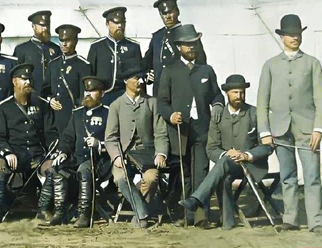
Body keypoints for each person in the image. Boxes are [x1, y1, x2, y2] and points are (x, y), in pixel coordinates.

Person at [257, 14, 322, 235]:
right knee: (287, 176)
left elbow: (321, 98)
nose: (295, 38)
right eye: (290, 34)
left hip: (307, 130)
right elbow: (262, 101)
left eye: (298, 34)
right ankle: (290, 219)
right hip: (279, 130)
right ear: (282, 37)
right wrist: (265, 131)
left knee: (311, 176)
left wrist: (319, 128)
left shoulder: (312, 63)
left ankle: (316, 221)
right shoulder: (270, 65)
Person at [180, 74, 273, 230]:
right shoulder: (218, 116)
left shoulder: (255, 113)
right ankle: (227, 224)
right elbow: (211, 149)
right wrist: (226, 154)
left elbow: (268, 146)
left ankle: (197, 199)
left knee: (223, 168)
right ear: (226, 93)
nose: (239, 96)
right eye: (235, 92)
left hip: (252, 165)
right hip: (229, 165)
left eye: (242, 92)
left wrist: (246, 155)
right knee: (224, 172)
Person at [156, 24, 224, 227]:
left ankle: (202, 216)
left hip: (202, 129)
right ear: (179, 47)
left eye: (194, 43)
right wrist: (171, 115)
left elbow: (217, 94)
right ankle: (188, 216)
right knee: (185, 172)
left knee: (201, 171)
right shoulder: (169, 71)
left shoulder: (206, 70)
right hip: (180, 130)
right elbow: (161, 102)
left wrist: (218, 104)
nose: (191, 48)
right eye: (187, 44)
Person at [0, 64, 59, 225]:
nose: (28, 82)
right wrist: (7, 152)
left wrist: (53, 149)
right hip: (15, 154)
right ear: (14, 82)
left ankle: (43, 210)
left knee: (52, 168)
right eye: (24, 79)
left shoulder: (41, 105)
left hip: (37, 154)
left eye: (30, 79)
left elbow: (50, 132)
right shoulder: (4, 107)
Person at [102, 70, 168, 229]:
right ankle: (142, 213)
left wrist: (160, 153)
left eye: (141, 78)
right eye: (135, 78)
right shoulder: (116, 105)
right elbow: (110, 137)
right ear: (126, 80)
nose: (140, 81)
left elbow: (160, 132)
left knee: (152, 178)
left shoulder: (152, 102)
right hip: (124, 155)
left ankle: (138, 209)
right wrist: (116, 157)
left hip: (147, 154)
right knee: (120, 179)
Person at [51, 76, 110, 227]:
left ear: (102, 93)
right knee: (57, 167)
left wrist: (99, 144)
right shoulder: (77, 113)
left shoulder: (108, 113)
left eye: (93, 91)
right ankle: (60, 212)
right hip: (77, 158)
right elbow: (67, 137)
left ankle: (84, 214)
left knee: (84, 170)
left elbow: (115, 140)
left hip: (99, 162)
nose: (88, 94)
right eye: (86, 90)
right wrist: (63, 152)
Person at [144, 0, 207, 96]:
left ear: (177, 12)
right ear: (160, 15)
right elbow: (147, 62)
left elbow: (201, 64)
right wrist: (147, 74)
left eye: (170, 12)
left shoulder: (189, 34)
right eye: (164, 13)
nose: (167, 16)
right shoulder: (157, 36)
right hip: (159, 93)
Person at [87, 7, 144, 107]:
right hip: (103, 97)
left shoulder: (133, 47)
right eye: (116, 23)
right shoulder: (97, 47)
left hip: (126, 97)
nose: (120, 26)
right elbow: (90, 75)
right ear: (107, 24)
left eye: (122, 23)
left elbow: (139, 75)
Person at [41, 24, 91, 133]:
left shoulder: (83, 65)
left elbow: (84, 96)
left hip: (72, 116)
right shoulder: (53, 64)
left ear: (75, 41)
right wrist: (50, 100)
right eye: (61, 40)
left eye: (67, 40)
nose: (64, 44)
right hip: (54, 118)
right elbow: (45, 89)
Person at [13, 11, 60, 91]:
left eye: (47, 25)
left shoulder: (56, 49)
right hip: (31, 97)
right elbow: (16, 77)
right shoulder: (21, 49)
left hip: (52, 99)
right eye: (41, 25)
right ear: (33, 26)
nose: (45, 28)